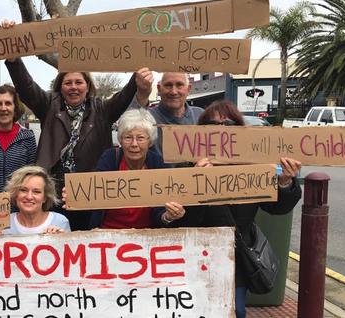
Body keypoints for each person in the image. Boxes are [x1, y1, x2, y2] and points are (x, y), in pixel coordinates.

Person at [0, 20, 153, 231]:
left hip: (90, 193)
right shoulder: (48, 106)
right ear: (60, 86)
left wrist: (138, 75)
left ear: (87, 86)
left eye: (78, 82)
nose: (73, 87)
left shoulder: (102, 110)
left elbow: (125, 96)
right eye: (68, 83)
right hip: (53, 192)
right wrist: (14, 59)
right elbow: (26, 87)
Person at [162, 100, 302, 318]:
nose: (221, 129)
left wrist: (284, 181)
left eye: (228, 124)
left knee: (234, 310)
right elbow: (182, 221)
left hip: (235, 256)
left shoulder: (253, 168)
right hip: (197, 255)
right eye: (213, 124)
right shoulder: (186, 166)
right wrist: (198, 183)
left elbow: (278, 209)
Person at [85, 109, 184, 229]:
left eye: (141, 138)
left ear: (150, 141)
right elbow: (93, 190)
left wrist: (168, 216)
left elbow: (161, 212)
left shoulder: (158, 163)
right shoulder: (110, 158)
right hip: (108, 234)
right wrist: (75, 195)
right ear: (120, 139)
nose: (134, 144)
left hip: (146, 236)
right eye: (128, 137)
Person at [130, 72, 204, 155]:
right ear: (159, 89)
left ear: (189, 89)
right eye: (168, 85)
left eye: (179, 85)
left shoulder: (201, 115)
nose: (173, 92)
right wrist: (142, 95)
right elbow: (129, 124)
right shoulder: (146, 118)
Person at [0, 84, 37, 192]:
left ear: (15, 108)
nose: (3, 108)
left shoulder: (27, 137)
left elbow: (32, 174)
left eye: (8, 103)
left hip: (19, 204)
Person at [0, 166, 70, 235]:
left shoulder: (60, 221)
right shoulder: (3, 224)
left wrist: (60, 238)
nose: (29, 197)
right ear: (15, 194)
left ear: (45, 197)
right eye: (23, 190)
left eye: (36, 191)